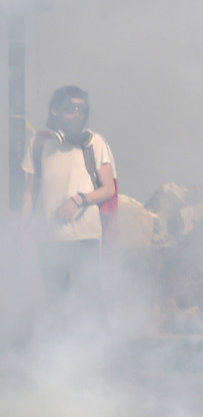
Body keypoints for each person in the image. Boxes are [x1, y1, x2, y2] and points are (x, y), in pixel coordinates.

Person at [20, 86, 117, 305]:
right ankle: (58, 340)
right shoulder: (39, 144)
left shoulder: (95, 143)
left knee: (93, 299)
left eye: (82, 110)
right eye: (71, 109)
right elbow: (31, 191)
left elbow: (108, 188)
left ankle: (103, 340)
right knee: (56, 302)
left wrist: (77, 200)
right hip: (49, 238)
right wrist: (23, 231)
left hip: (85, 237)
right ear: (55, 110)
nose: (77, 115)